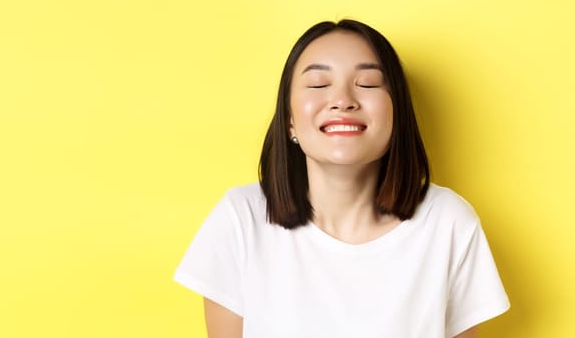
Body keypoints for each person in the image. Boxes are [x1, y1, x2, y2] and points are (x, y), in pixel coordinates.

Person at [173, 20, 510, 338]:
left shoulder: (448, 223)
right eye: (319, 84)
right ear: (290, 120)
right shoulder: (240, 219)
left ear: (397, 115)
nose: (343, 101)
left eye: (367, 84)